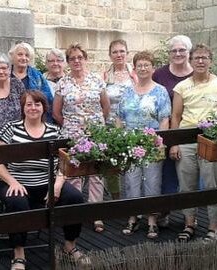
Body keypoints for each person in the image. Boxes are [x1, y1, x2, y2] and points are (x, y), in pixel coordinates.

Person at [0, 90, 89, 270]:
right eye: (28, 104)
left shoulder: (54, 130)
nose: (33, 108)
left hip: (47, 183)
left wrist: (57, 186)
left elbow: (63, 163)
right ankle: (19, 253)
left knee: (75, 198)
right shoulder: (11, 128)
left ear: (44, 107)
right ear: (23, 107)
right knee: (17, 203)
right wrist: (11, 181)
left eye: (37, 104)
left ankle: (70, 245)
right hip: (16, 181)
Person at [170, 43, 217, 242]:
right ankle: (190, 224)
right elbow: (176, 115)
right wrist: (174, 143)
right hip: (187, 139)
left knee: (213, 183)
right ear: (190, 61)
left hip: (212, 139)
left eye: (204, 57)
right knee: (187, 185)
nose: (200, 61)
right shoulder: (181, 87)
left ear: (210, 61)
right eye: (196, 57)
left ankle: (213, 227)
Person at [53, 43, 110, 233]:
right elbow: (56, 112)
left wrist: (94, 125)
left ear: (85, 59)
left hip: (96, 133)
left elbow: (106, 107)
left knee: (96, 173)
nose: (76, 61)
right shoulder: (63, 83)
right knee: (74, 173)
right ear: (68, 62)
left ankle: (96, 214)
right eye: (72, 58)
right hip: (72, 133)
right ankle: (76, 211)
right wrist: (72, 126)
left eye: (79, 57)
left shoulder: (96, 80)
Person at [118, 51, 171, 239]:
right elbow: (119, 117)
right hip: (130, 143)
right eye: (139, 65)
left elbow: (164, 119)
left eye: (146, 65)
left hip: (152, 143)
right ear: (134, 68)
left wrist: (160, 142)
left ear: (152, 68)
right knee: (131, 181)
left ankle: (151, 220)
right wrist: (119, 140)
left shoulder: (161, 91)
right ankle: (133, 217)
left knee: (152, 181)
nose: (142, 68)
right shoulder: (127, 91)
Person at [152, 35, 193, 227]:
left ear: (188, 52)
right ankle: (164, 210)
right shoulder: (159, 74)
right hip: (165, 132)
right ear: (169, 53)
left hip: (189, 132)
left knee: (188, 176)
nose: (178, 54)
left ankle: (189, 219)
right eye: (174, 50)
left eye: (182, 50)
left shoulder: (196, 73)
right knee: (166, 173)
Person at [103, 39, 137, 200]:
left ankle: (133, 199)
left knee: (133, 164)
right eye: (115, 52)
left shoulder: (135, 73)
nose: (119, 55)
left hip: (133, 125)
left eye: (122, 51)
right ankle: (116, 199)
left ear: (127, 53)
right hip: (110, 126)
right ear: (110, 55)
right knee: (111, 165)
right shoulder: (104, 76)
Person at [8, 42, 53, 122]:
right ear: (12, 56)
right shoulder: (5, 74)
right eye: (20, 54)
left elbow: (47, 99)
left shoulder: (37, 76)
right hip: (10, 120)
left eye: (27, 55)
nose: (24, 58)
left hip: (33, 119)